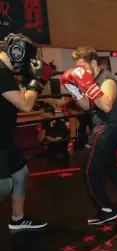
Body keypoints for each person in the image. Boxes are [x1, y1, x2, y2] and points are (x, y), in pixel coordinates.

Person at [60, 46, 117, 225]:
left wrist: (88, 85)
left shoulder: (106, 79)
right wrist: (74, 90)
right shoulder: (92, 80)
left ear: (93, 63)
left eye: (82, 66)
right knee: (110, 167)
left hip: (106, 128)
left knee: (89, 170)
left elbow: (106, 105)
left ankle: (106, 210)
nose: (80, 71)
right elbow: (86, 106)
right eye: (77, 68)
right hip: (105, 127)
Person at [0, 33, 53, 230]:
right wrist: (36, 82)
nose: (28, 65)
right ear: (18, 52)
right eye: (28, 59)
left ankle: (18, 219)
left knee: (21, 175)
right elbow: (25, 104)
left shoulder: (5, 73)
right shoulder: (1, 73)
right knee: (3, 187)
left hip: (5, 138)